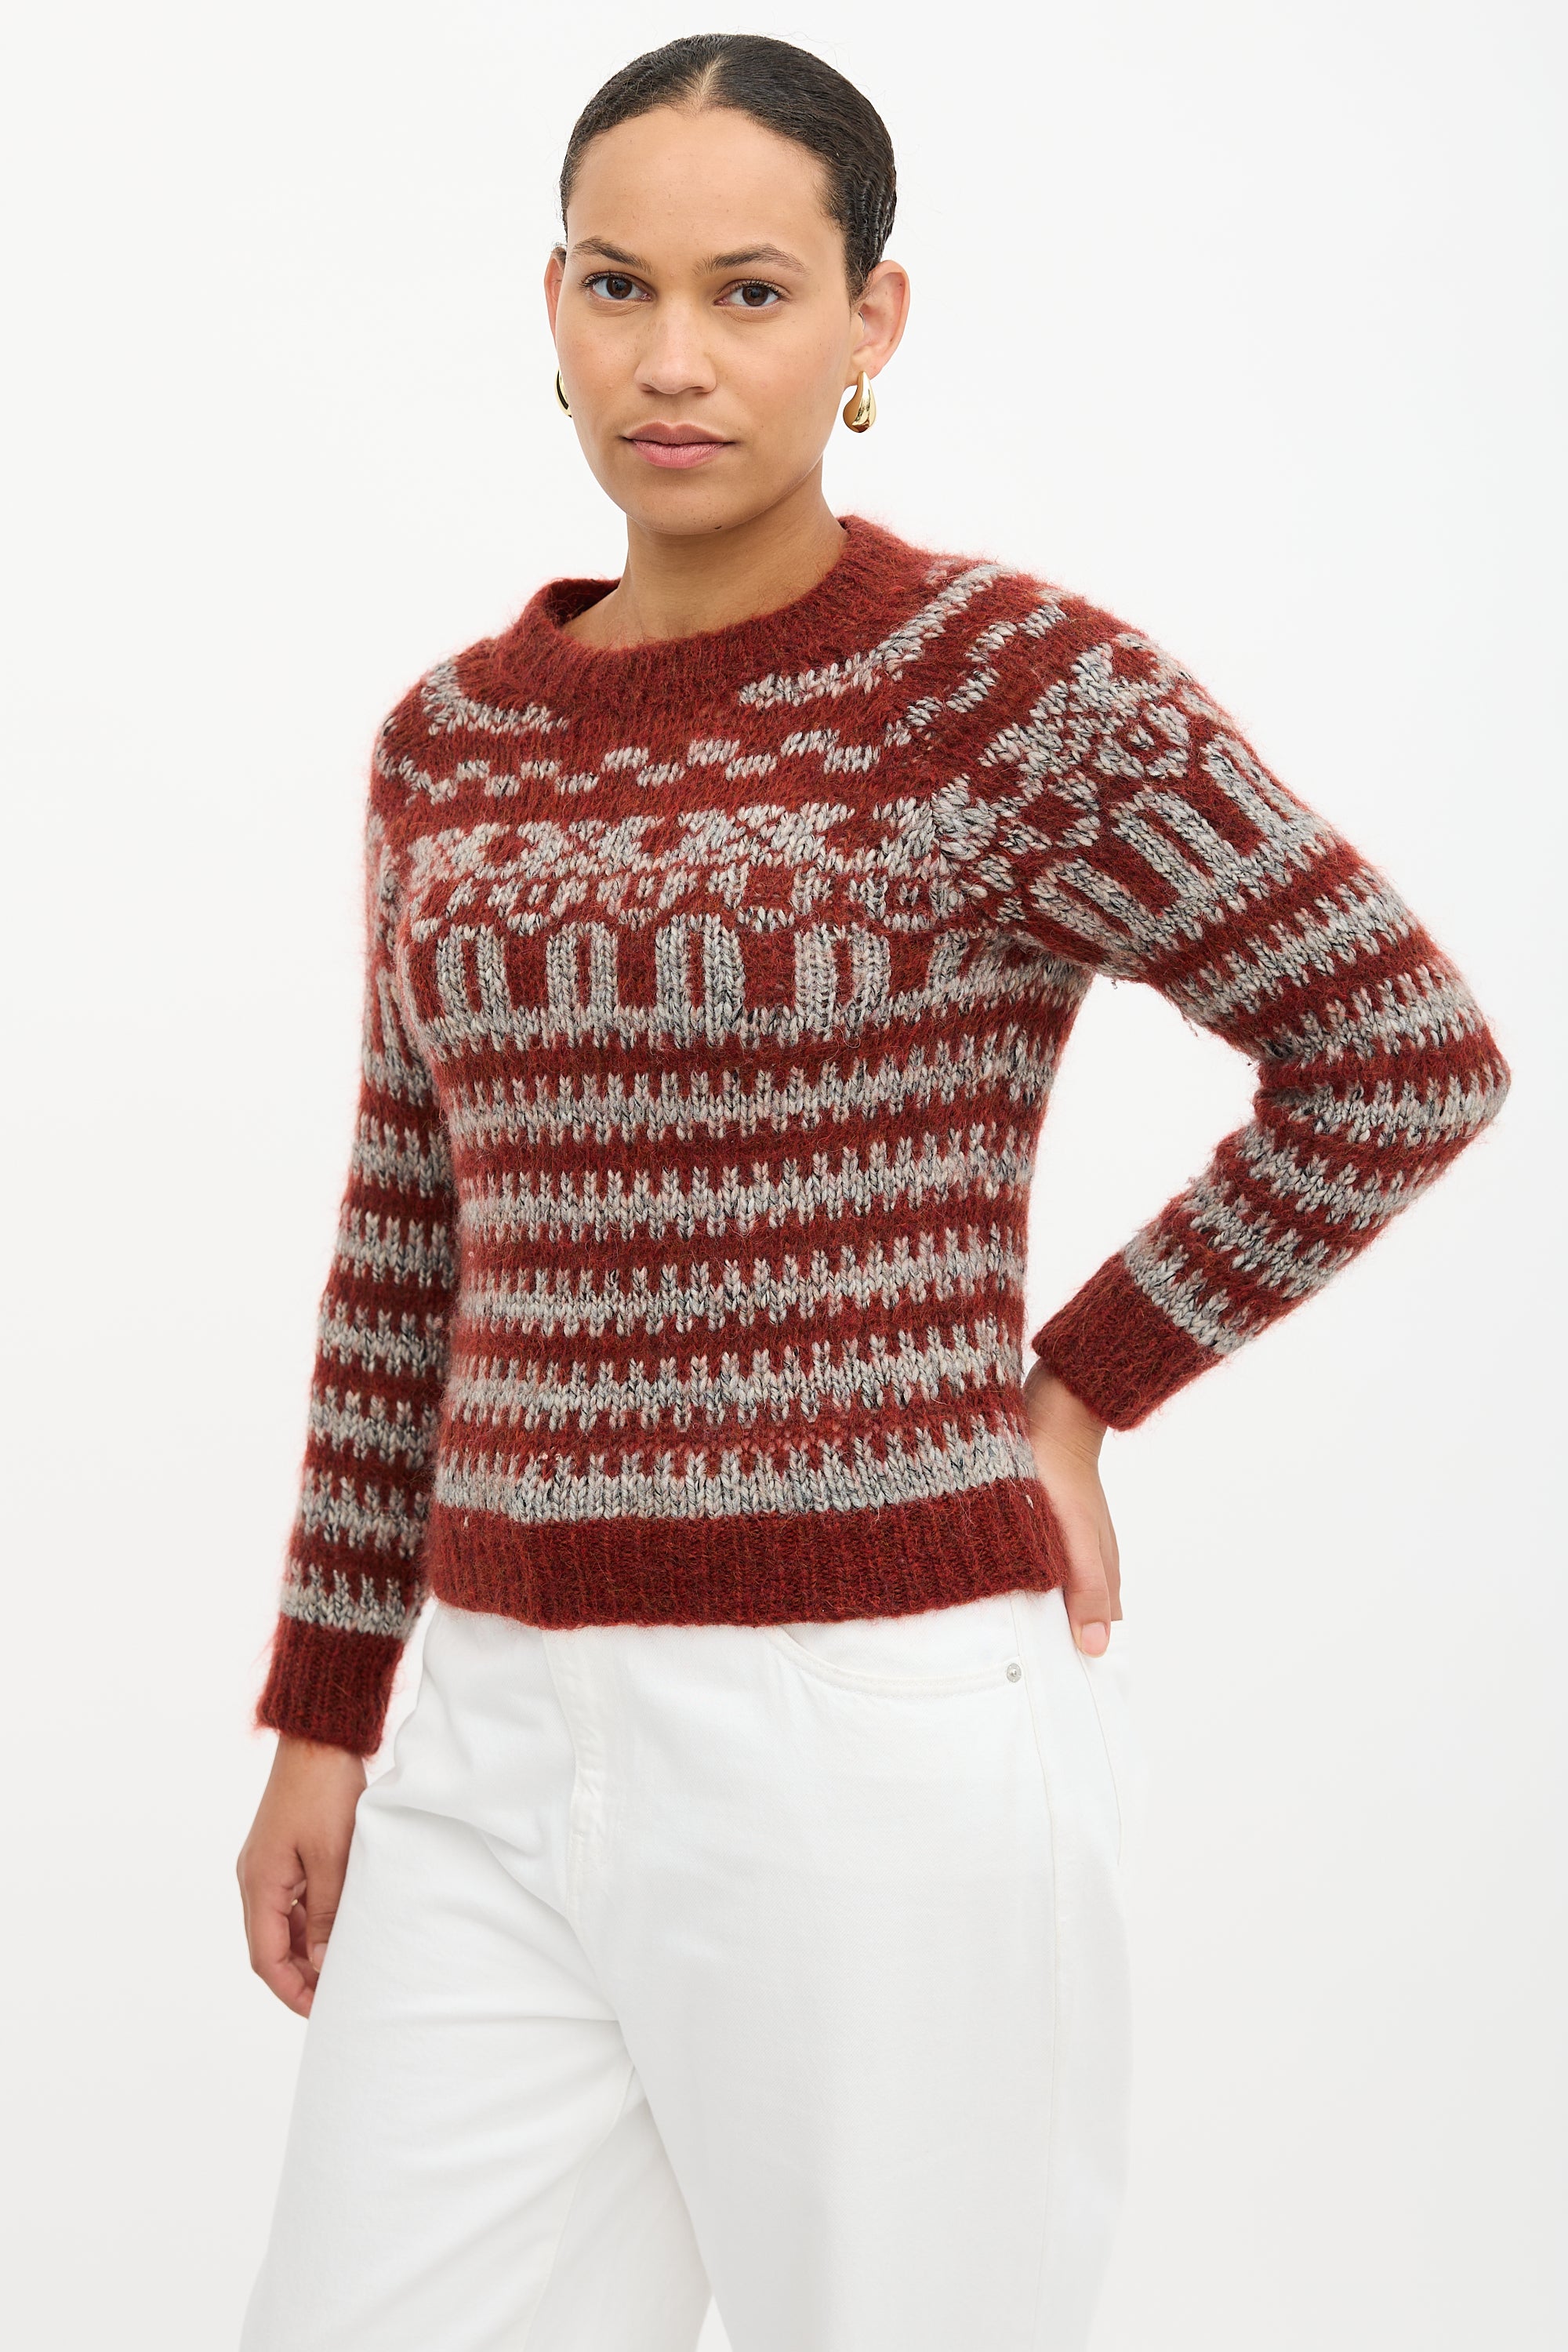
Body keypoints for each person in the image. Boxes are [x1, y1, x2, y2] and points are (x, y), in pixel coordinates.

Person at [235, 32, 1511, 2352]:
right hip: (491, 1729)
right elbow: (410, 1244)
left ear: (868, 320)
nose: (675, 359)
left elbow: (1397, 1052)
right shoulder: (454, 741)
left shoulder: (1005, 696)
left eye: (750, 292)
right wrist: (330, 1708)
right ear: (552, 305)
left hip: (866, 1730)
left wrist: (1077, 1390)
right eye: (620, 286)